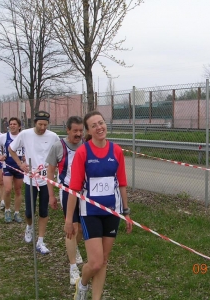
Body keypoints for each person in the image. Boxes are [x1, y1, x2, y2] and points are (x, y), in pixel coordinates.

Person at [64, 111, 132, 300]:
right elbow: (74, 189)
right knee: (95, 262)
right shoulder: (83, 152)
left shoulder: (116, 150)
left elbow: (122, 184)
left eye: (101, 123)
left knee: (103, 261)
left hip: (112, 212)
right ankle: (83, 283)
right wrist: (69, 220)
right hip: (90, 212)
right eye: (94, 125)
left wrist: (126, 212)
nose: (99, 127)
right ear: (88, 131)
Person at [8, 111, 59, 254]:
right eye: (40, 124)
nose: (42, 127)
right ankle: (29, 227)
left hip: (46, 179)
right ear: (34, 123)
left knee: (44, 211)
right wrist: (20, 163)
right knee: (30, 212)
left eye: (45, 124)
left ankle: (41, 241)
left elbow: (59, 153)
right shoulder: (25, 134)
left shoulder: (53, 136)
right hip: (30, 179)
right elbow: (11, 149)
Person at [46, 116, 84, 285]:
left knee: (82, 228)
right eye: (75, 130)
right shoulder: (58, 147)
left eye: (81, 130)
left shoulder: (86, 145)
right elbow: (50, 172)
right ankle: (73, 267)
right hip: (67, 191)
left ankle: (73, 250)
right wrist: (51, 195)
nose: (78, 134)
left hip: (85, 193)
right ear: (67, 130)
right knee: (72, 227)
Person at [0, 117, 24, 223]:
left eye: (15, 124)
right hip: (7, 166)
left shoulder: (23, 137)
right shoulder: (5, 136)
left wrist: (25, 158)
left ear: (19, 126)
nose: (12, 126)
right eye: (11, 124)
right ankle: (7, 210)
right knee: (8, 189)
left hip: (19, 167)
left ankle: (17, 212)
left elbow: (27, 149)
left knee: (18, 190)